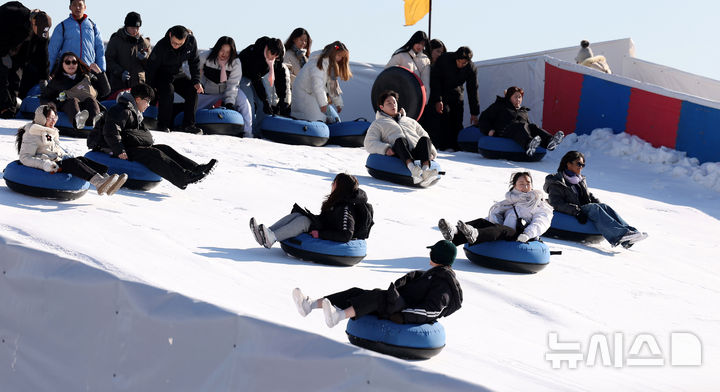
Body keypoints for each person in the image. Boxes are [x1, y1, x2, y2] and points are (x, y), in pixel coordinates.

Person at [292, 240, 462, 328]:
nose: (430, 254)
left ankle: (339, 316)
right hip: (400, 303)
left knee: (378, 297)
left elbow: (432, 310)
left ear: (438, 256)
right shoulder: (432, 274)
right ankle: (310, 304)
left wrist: (403, 316)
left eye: (433, 252)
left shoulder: (444, 283)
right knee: (356, 292)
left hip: (404, 310)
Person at [88, 83, 217, 190]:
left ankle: (196, 168)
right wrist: (119, 150)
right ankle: (184, 177)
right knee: (153, 154)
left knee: (164, 148)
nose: (148, 105)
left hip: (127, 144)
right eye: (147, 101)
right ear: (137, 99)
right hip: (109, 146)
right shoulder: (121, 110)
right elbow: (111, 130)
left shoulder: (134, 111)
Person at [544, 151, 648, 248]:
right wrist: (576, 212)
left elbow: (588, 195)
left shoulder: (579, 180)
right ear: (568, 164)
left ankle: (630, 234)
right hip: (574, 210)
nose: (581, 167)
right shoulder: (557, 182)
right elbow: (556, 203)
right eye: (578, 164)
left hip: (585, 208)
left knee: (603, 206)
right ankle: (621, 235)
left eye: (583, 165)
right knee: (594, 208)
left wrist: (598, 203)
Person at [16, 104, 127, 195]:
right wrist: (45, 164)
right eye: (50, 118)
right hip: (48, 165)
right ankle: (99, 182)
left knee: (81, 160)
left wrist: (65, 154)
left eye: (55, 118)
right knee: (72, 163)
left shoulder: (50, 131)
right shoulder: (32, 133)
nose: (53, 121)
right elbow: (25, 157)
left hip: (56, 160)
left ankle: (106, 178)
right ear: (42, 118)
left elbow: (53, 149)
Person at [249, 173, 373, 249]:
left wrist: (320, 234)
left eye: (334, 183)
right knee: (298, 214)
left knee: (303, 221)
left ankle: (271, 238)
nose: (332, 185)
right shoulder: (337, 201)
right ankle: (266, 233)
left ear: (340, 187)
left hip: (327, 232)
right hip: (325, 227)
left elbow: (346, 235)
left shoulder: (346, 208)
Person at [439, 172, 553, 246]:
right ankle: (454, 232)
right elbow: (495, 216)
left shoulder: (538, 202)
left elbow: (542, 221)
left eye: (528, 183)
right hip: (504, 232)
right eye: (521, 184)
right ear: (515, 186)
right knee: (481, 221)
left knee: (501, 229)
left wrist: (527, 234)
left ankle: (476, 234)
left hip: (521, 236)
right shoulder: (509, 201)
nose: (526, 187)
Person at [364, 90, 438, 186]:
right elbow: (369, 142)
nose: (393, 105)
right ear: (381, 107)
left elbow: (425, 135)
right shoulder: (378, 123)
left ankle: (425, 171)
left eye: (394, 102)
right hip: (398, 153)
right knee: (399, 139)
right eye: (389, 103)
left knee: (425, 139)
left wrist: (431, 153)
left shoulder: (410, 121)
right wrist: (385, 149)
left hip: (416, 152)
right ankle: (413, 170)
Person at [145, 25, 203, 134]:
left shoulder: (191, 42)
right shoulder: (161, 46)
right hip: (162, 75)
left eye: (179, 44)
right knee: (168, 91)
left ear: (185, 39)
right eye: (174, 43)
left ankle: (188, 125)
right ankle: (163, 125)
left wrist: (196, 81)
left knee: (193, 89)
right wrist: (150, 88)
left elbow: (194, 62)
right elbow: (151, 68)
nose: (176, 46)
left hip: (178, 73)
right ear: (170, 35)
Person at [477, 86, 565, 156]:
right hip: (504, 130)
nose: (518, 99)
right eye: (515, 97)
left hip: (519, 131)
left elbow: (527, 127)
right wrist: (488, 130)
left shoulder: (523, 111)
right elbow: (484, 118)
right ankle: (529, 144)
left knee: (532, 126)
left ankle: (550, 141)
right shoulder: (499, 105)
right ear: (509, 97)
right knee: (520, 125)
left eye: (520, 97)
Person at [0, 2, 51, 117]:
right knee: (2, 78)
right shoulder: (12, 15)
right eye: (38, 31)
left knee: (15, 81)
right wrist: (3, 54)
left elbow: (43, 55)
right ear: (33, 22)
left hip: (19, 56)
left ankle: (9, 111)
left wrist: (44, 78)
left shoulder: (42, 33)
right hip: (3, 47)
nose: (40, 35)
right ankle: (3, 107)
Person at [427, 46, 479, 151]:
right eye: (459, 62)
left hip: (457, 92)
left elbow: (472, 90)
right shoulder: (444, 59)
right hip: (440, 90)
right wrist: (438, 99)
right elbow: (435, 79)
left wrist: (474, 112)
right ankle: (439, 146)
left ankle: (456, 147)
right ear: (456, 58)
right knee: (443, 115)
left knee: (457, 118)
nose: (461, 65)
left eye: (464, 63)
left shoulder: (471, 68)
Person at [41, 51, 110, 130]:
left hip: (87, 106)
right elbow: (44, 98)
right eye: (67, 62)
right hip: (69, 107)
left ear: (77, 64)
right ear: (62, 64)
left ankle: (96, 120)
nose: (71, 65)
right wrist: (53, 105)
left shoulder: (86, 77)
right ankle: (78, 119)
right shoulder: (56, 81)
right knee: (72, 100)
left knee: (90, 99)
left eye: (74, 62)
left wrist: (100, 73)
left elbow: (105, 91)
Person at [198, 36, 251, 134]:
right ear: (217, 48)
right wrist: (199, 83)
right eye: (222, 50)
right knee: (193, 104)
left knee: (244, 103)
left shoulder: (235, 63)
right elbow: (193, 71)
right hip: (208, 91)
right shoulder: (205, 56)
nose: (224, 54)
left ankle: (247, 132)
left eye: (228, 52)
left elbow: (233, 84)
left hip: (226, 91)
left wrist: (229, 102)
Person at [238, 36, 289, 136]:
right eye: (271, 53)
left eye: (276, 56)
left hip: (257, 77)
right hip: (243, 75)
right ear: (267, 48)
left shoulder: (276, 59)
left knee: (265, 104)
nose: (272, 58)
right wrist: (264, 99)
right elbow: (255, 79)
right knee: (249, 104)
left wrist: (282, 97)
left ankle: (259, 131)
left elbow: (280, 77)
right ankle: (248, 131)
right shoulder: (255, 53)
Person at [291, 41, 351, 124]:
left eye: (342, 57)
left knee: (329, 117)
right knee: (318, 118)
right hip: (304, 94)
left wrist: (338, 103)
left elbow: (332, 86)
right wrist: (323, 104)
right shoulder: (317, 63)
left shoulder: (330, 66)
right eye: (339, 55)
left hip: (313, 95)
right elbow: (317, 85)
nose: (340, 59)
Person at [47, 0, 105, 72]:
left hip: (88, 71)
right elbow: (52, 52)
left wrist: (101, 71)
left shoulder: (93, 27)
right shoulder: (62, 27)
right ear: (70, 7)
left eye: (80, 5)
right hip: (68, 71)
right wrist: (47, 73)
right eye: (74, 5)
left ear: (85, 7)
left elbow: (100, 50)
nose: (77, 7)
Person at [105, 11, 152, 93]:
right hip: (119, 86)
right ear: (126, 26)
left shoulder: (145, 43)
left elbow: (151, 66)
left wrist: (145, 59)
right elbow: (108, 60)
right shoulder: (115, 41)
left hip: (139, 87)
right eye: (133, 27)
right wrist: (120, 72)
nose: (135, 30)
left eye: (137, 27)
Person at [385, 31, 431, 97]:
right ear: (413, 41)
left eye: (423, 44)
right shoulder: (400, 55)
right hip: (398, 93)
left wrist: (424, 100)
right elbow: (388, 72)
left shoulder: (426, 60)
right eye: (418, 43)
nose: (420, 46)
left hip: (415, 96)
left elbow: (425, 82)